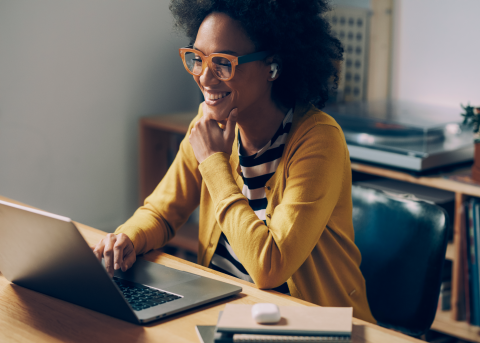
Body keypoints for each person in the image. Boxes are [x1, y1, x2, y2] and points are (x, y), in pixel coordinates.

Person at [92, 0, 376, 323]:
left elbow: (269, 266)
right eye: (197, 59)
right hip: (225, 315)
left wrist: (215, 165)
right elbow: (161, 211)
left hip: (313, 326)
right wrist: (128, 238)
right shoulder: (208, 124)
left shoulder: (319, 141)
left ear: (272, 67)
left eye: (223, 64)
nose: (205, 79)